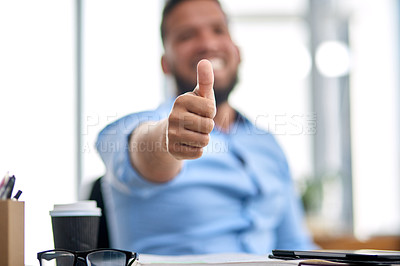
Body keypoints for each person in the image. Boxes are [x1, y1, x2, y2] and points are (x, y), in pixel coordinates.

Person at [96, 0, 316, 255]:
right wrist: (166, 140)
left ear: (237, 50)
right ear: (165, 64)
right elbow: (141, 150)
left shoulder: (267, 145)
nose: (208, 43)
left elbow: (296, 246)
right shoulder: (132, 128)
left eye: (218, 30)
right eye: (187, 35)